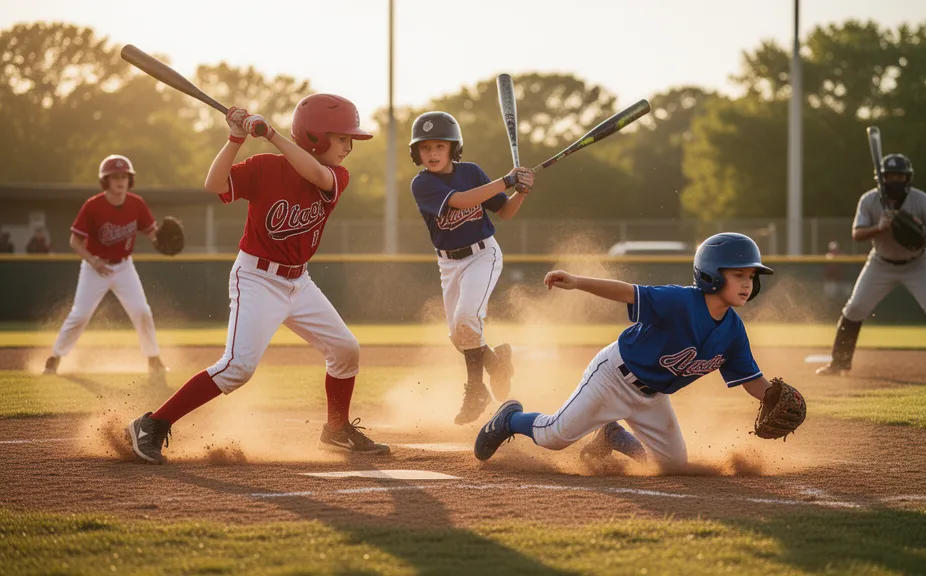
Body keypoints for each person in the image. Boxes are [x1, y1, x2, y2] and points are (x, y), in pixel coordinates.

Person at [125, 94, 389, 464]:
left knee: (346, 350)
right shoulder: (265, 167)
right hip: (257, 279)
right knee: (237, 368)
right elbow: (214, 184)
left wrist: (270, 133)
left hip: (299, 282)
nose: (348, 146)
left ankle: (335, 431)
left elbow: (314, 174)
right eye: (343, 138)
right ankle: (151, 424)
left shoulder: (335, 176)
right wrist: (235, 139)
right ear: (314, 137)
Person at [474, 233, 779, 473]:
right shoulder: (681, 301)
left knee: (673, 466)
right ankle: (510, 418)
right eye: (738, 275)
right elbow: (627, 291)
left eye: (751, 277)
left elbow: (751, 380)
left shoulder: (734, 332)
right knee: (554, 436)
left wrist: (775, 397)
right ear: (712, 274)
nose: (746, 284)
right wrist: (578, 282)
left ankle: (613, 437)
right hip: (613, 378)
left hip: (653, 398)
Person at [408, 111, 535, 425]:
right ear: (417, 153)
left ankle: (477, 390)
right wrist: (506, 180)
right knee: (458, 335)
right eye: (425, 148)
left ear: (454, 147)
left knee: (467, 319)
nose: (433, 153)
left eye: (440, 146)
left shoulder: (472, 172)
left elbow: (504, 212)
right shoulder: (422, 183)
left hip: (483, 256)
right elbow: (462, 201)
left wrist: (520, 191)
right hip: (449, 263)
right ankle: (497, 363)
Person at [816, 153, 926, 380]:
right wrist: (879, 228)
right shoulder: (869, 200)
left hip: (917, 263)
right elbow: (857, 234)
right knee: (855, 308)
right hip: (881, 263)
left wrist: (923, 239)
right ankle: (839, 363)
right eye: (889, 176)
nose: (894, 180)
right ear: (880, 178)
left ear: (907, 178)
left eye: (899, 176)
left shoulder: (921, 200)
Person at [43, 155, 168, 379]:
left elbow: (151, 233)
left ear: (130, 180)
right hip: (95, 268)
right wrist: (92, 260)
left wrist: (162, 242)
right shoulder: (93, 206)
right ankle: (54, 359)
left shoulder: (136, 203)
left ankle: (154, 359)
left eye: (124, 176)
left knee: (142, 311)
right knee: (80, 315)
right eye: (114, 177)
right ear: (105, 181)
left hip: (124, 267)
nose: (120, 181)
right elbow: (75, 241)